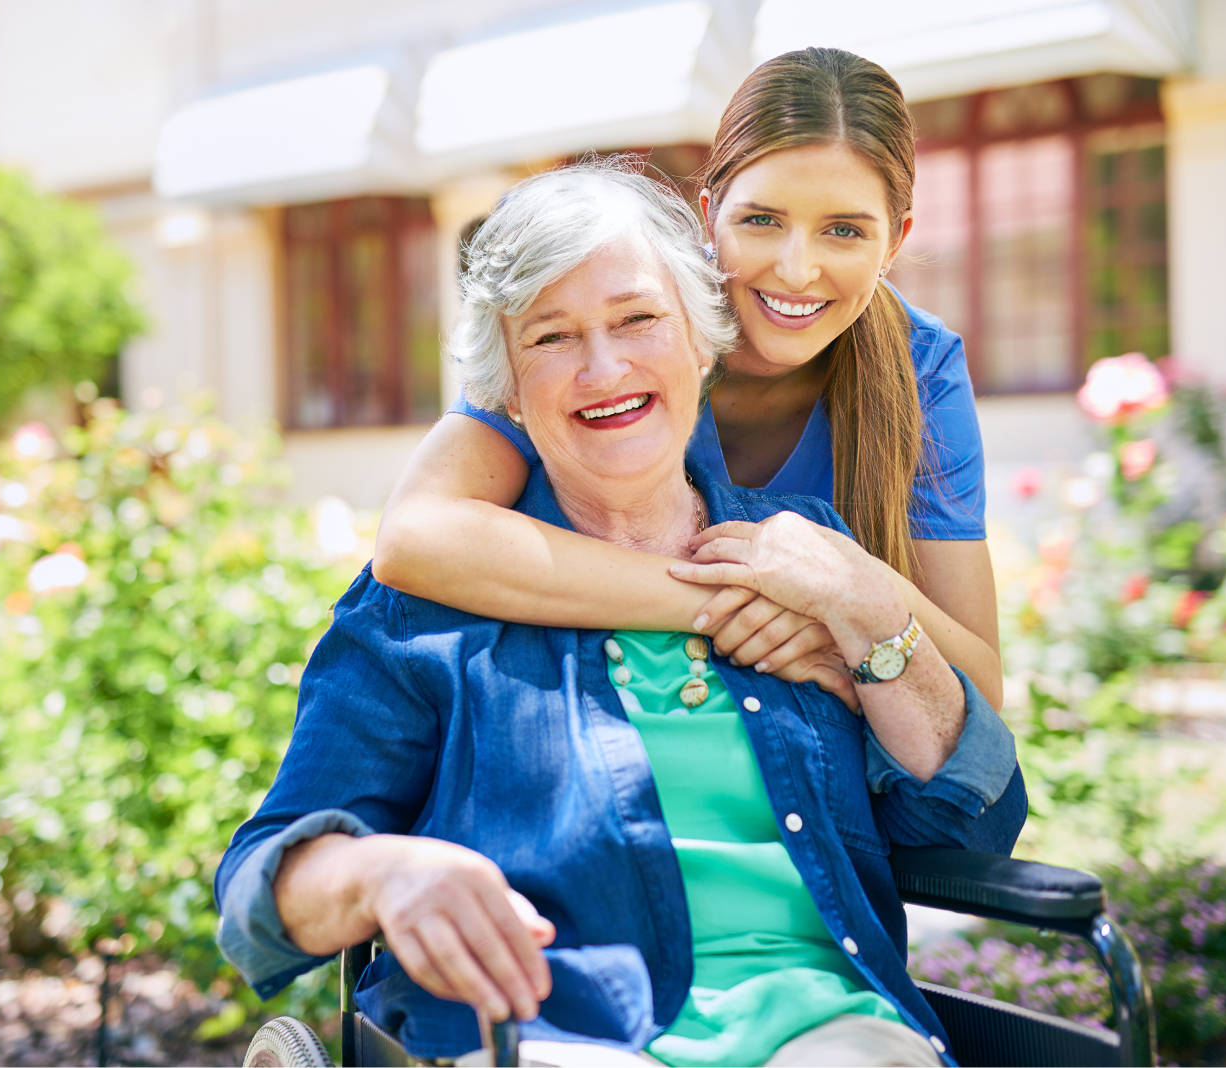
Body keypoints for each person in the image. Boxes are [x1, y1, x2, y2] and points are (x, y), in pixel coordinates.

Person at [215, 164, 1025, 1068]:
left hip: (829, 1031)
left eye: (639, 319)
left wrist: (871, 612)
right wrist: (381, 874)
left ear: (703, 341)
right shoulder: (426, 609)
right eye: (553, 338)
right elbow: (261, 882)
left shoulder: (809, 559)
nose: (605, 369)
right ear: (509, 391)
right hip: (552, 1030)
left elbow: (971, 823)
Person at [370, 48, 1001, 712]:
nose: (795, 269)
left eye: (843, 231)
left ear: (894, 243)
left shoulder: (920, 365)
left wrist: (852, 588)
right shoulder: (611, 323)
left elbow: (981, 690)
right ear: (710, 212)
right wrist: (738, 603)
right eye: (762, 220)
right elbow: (417, 537)